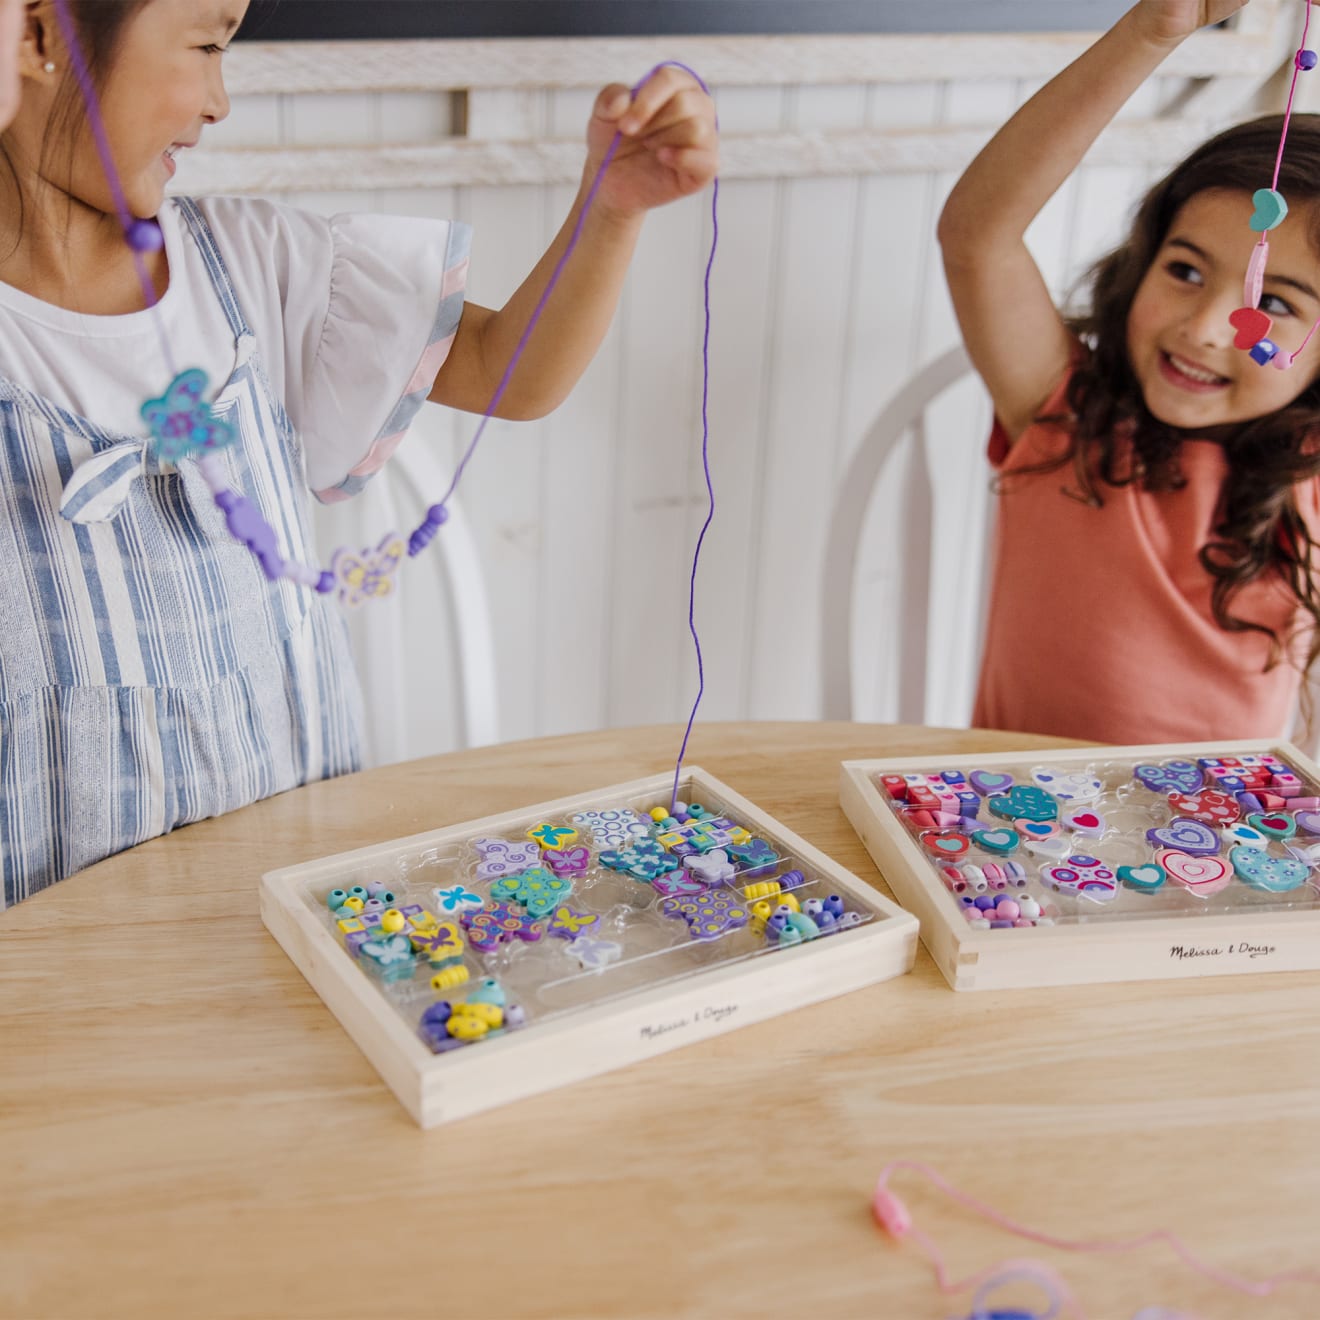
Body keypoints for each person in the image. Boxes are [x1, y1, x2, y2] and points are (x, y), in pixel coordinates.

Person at [0, 0, 718, 905]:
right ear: (36, 37)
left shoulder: (253, 264)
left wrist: (608, 211)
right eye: (207, 44)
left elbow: (512, 374)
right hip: (47, 937)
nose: (220, 101)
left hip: (289, 893)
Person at [938, 0, 1320, 744]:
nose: (1205, 329)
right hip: (1010, 839)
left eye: (1271, 301)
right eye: (1184, 270)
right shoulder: (1063, 422)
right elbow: (977, 236)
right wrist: (1151, 31)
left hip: (1225, 851)